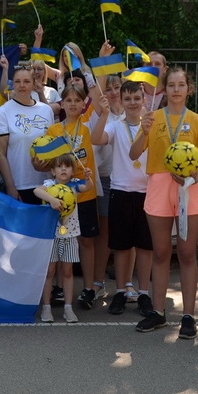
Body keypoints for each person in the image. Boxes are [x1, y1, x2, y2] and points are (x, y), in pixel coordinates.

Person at [129, 68, 198, 339]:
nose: (176, 89)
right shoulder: (152, 118)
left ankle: (188, 316)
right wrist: (143, 132)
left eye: (181, 85)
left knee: (187, 253)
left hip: (188, 189)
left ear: (189, 89)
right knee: (161, 253)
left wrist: (193, 178)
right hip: (159, 187)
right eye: (172, 85)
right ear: (165, 89)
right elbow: (133, 153)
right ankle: (158, 312)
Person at [37, 83, 109, 309]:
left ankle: (88, 289)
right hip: (61, 196)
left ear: (83, 103)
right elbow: (44, 162)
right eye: (68, 100)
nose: (73, 104)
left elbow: (97, 92)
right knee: (61, 240)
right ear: (62, 104)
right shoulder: (54, 130)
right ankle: (59, 287)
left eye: (78, 100)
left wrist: (103, 107)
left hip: (84, 193)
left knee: (86, 241)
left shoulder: (88, 126)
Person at [104, 81, 154, 316]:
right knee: (121, 246)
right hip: (121, 190)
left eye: (136, 98)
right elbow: (96, 139)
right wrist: (103, 112)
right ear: (121, 101)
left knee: (145, 247)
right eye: (127, 99)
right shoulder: (115, 125)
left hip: (148, 192)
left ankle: (143, 293)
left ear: (144, 99)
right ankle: (120, 291)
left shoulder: (153, 124)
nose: (132, 103)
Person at [35, 155, 94, 323]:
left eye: (67, 167)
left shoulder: (75, 184)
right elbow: (37, 191)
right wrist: (52, 200)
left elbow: (88, 187)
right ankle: (46, 307)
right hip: (51, 235)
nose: (63, 169)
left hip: (70, 234)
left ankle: (68, 307)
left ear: (72, 171)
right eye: (59, 166)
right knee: (49, 272)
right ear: (53, 171)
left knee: (67, 272)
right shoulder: (49, 185)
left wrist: (88, 178)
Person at [0, 65, 55, 202]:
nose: (22, 85)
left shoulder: (46, 110)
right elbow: (0, 154)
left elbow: (52, 147)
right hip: (19, 184)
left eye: (26, 81)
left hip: (46, 184)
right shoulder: (2, 112)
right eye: (17, 81)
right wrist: (10, 187)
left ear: (34, 83)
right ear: (12, 84)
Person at [90, 74, 122, 300]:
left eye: (117, 87)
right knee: (104, 234)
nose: (113, 92)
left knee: (125, 233)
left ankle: (125, 285)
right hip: (105, 178)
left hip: (128, 181)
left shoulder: (135, 112)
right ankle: (97, 282)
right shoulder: (99, 114)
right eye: (108, 89)